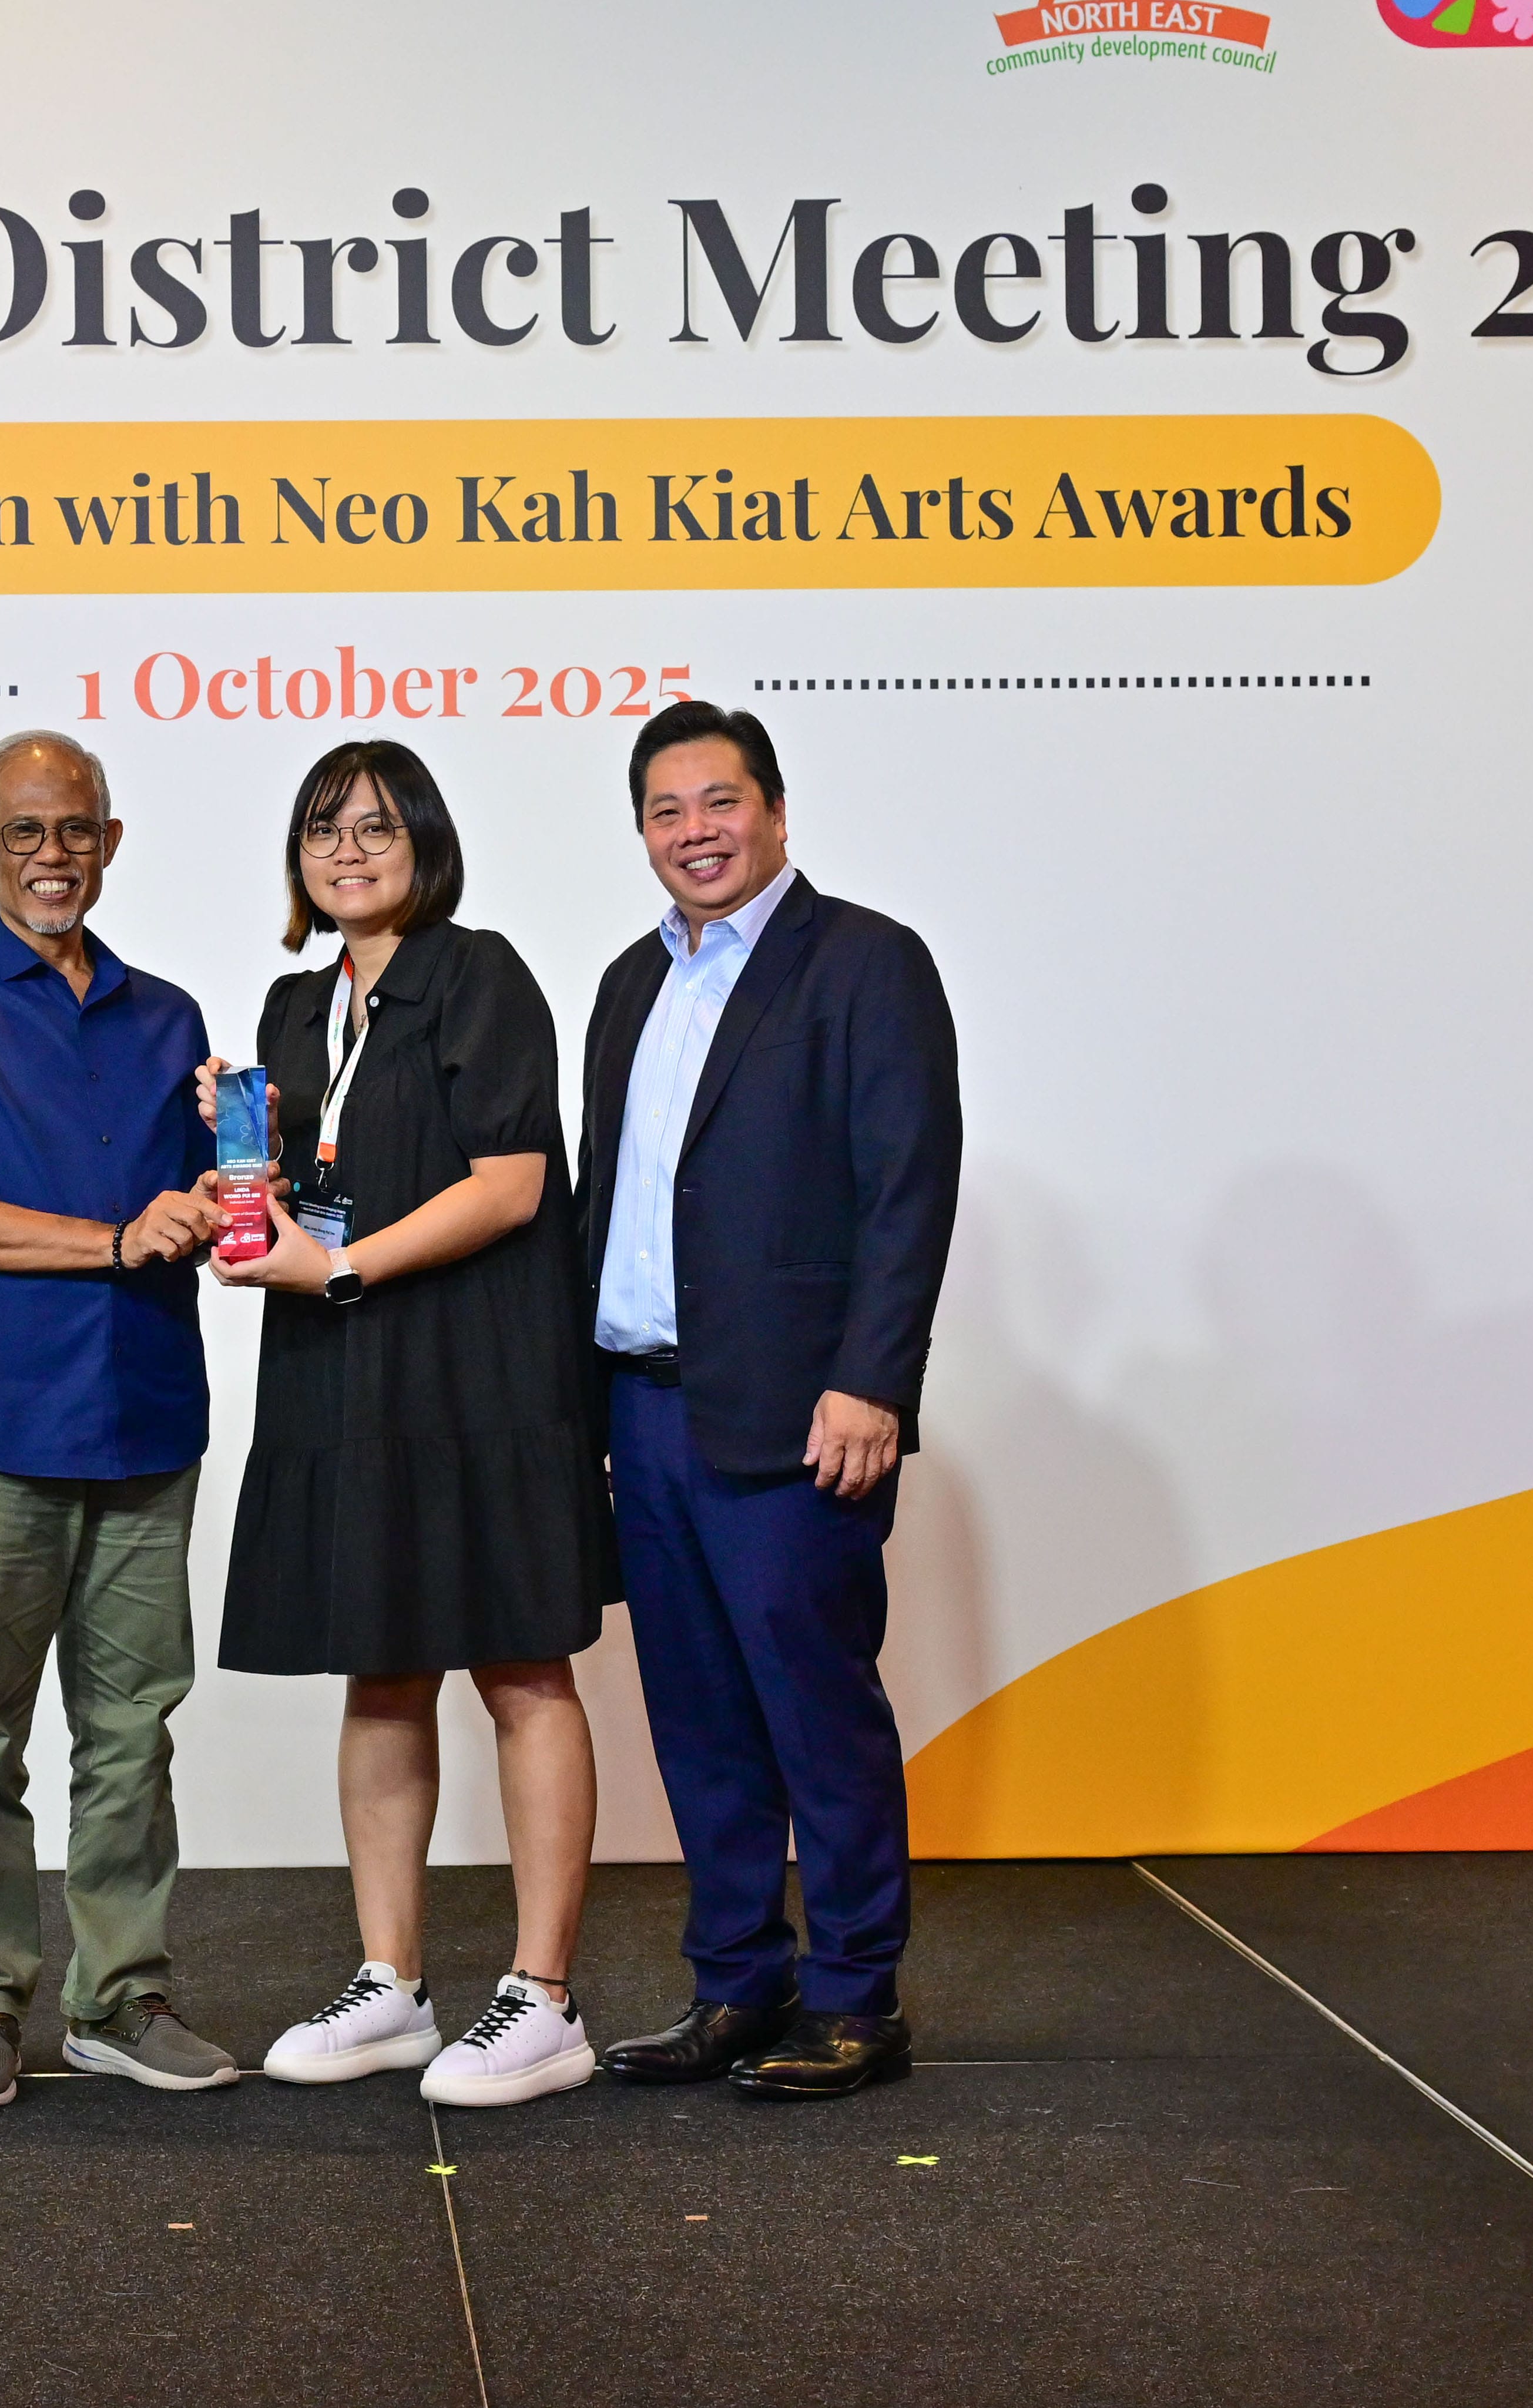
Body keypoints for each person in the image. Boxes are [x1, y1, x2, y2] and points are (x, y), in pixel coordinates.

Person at [205, 741, 619, 2110]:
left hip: (479, 1366)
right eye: (322, 828)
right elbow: (318, 1186)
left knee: (520, 1667)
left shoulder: (478, 973)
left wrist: (333, 1265)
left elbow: (510, 1185)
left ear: (425, 844)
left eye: (376, 827)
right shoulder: (292, 1005)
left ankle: (543, 1998)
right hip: (344, 1372)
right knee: (378, 1669)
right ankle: (390, 1983)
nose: (347, 850)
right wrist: (240, 1184)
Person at [579, 701, 961, 2100]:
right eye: (665, 810)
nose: (695, 830)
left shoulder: (863, 961)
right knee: (696, 1718)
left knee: (816, 1709)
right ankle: (737, 1980)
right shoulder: (628, 981)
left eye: (720, 801)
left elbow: (906, 1185)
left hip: (800, 1412)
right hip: (643, 1407)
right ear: (641, 832)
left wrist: (872, 1381)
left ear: (776, 811)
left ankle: (856, 1996)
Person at [0, 728, 242, 2108]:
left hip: (146, 1416)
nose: (51, 856)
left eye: (74, 829)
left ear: (110, 841)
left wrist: (240, 1172)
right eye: (22, 830)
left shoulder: (171, 1019)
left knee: (131, 1733)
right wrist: (114, 1238)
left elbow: (209, 1213)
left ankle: (120, 1996)